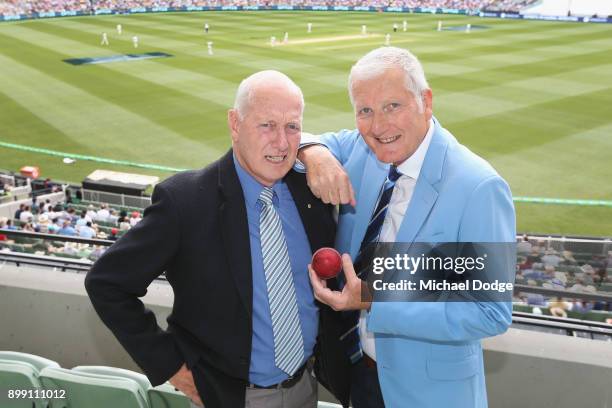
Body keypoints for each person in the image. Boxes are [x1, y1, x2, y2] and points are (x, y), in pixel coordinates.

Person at [85, 70, 350, 408]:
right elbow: (106, 283)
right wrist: (170, 367)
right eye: (267, 125)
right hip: (229, 397)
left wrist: (315, 151)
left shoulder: (310, 192)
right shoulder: (185, 201)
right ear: (235, 124)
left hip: (306, 387)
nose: (282, 142)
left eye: (292, 126)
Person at [297, 47, 515, 408]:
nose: (378, 126)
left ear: (425, 101)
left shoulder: (478, 187)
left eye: (392, 106)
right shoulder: (364, 150)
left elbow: (489, 312)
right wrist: (314, 152)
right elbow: (307, 138)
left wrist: (372, 298)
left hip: (429, 395)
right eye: (365, 111)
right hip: (358, 377)